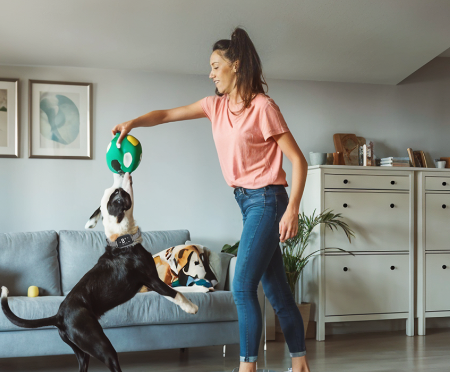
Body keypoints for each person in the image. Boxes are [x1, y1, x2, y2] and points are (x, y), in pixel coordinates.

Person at [112, 27, 310, 372]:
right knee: (276, 291)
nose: (211, 73)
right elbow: (168, 114)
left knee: (244, 285)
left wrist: (292, 208)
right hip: (248, 203)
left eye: (216, 65)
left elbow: (298, 160)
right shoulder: (214, 107)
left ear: (235, 65)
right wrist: (135, 123)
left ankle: (247, 367)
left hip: (268, 199)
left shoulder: (263, 107)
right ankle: (300, 364)